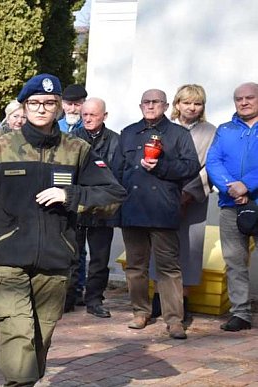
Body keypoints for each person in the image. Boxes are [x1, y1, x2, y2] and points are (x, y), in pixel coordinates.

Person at [0, 73, 125, 386]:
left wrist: (71, 196)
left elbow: (113, 194)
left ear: (60, 108)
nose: (41, 109)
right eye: (35, 103)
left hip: (55, 261)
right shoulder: (2, 149)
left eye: (49, 103)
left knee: (38, 341)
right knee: (16, 336)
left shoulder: (76, 150)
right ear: (24, 107)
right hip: (7, 259)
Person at [112, 89, 200, 340]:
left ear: (165, 105)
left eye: (156, 102)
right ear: (140, 105)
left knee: (169, 268)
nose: (151, 106)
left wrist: (161, 167)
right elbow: (117, 171)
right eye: (146, 102)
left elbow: (191, 167)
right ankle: (140, 311)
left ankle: (174, 320)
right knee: (135, 266)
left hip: (163, 209)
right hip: (133, 207)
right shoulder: (128, 133)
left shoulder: (178, 134)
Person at [149, 84, 217, 325]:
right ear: (177, 104)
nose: (192, 107)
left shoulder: (211, 131)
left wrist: (188, 194)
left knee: (189, 250)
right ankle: (158, 299)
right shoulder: (163, 128)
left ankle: (182, 302)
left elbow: (212, 165)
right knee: (162, 247)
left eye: (197, 103)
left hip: (193, 199)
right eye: (187, 102)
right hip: (164, 196)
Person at [206, 82, 258, 332]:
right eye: (239, 98)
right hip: (230, 205)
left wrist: (246, 185)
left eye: (250, 97)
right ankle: (241, 314)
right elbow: (213, 161)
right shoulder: (225, 130)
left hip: (256, 201)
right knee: (235, 260)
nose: (244, 102)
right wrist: (230, 188)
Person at [66, 97, 119, 318]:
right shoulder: (71, 139)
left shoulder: (116, 141)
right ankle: (68, 297)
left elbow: (116, 174)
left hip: (102, 208)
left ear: (104, 116)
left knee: (99, 257)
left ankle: (95, 299)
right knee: (71, 255)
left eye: (93, 115)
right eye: (84, 115)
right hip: (76, 206)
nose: (87, 119)